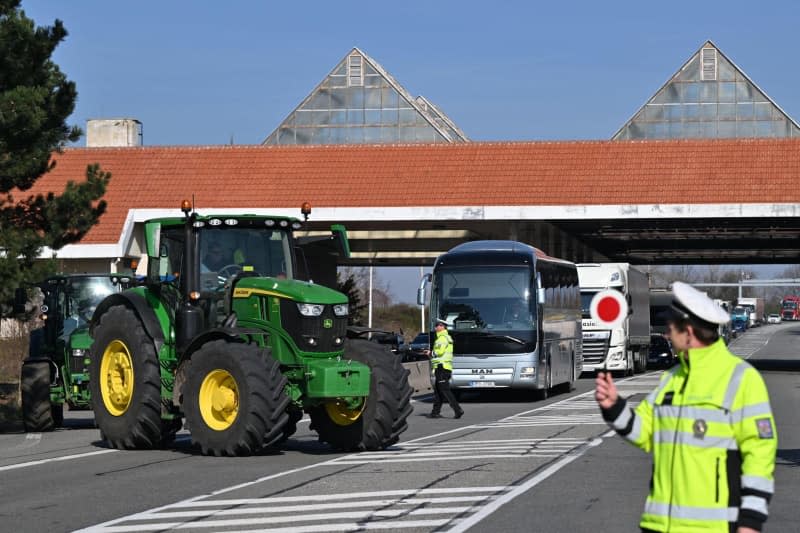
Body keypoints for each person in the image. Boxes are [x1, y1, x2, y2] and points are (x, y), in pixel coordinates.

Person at [595, 281, 776, 533]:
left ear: (688, 332)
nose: (667, 335)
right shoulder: (671, 379)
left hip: (713, 528)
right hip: (657, 526)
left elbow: (760, 454)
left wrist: (751, 521)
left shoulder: (742, 379)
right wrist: (614, 407)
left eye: (671, 329)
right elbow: (644, 432)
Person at [427, 318, 464, 419]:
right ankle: (435, 412)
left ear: (442, 326)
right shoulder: (445, 337)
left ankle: (457, 409)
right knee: (439, 391)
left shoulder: (442, 338)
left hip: (441, 368)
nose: (435, 327)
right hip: (443, 367)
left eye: (437, 325)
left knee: (445, 390)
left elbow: (439, 352)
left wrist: (430, 353)